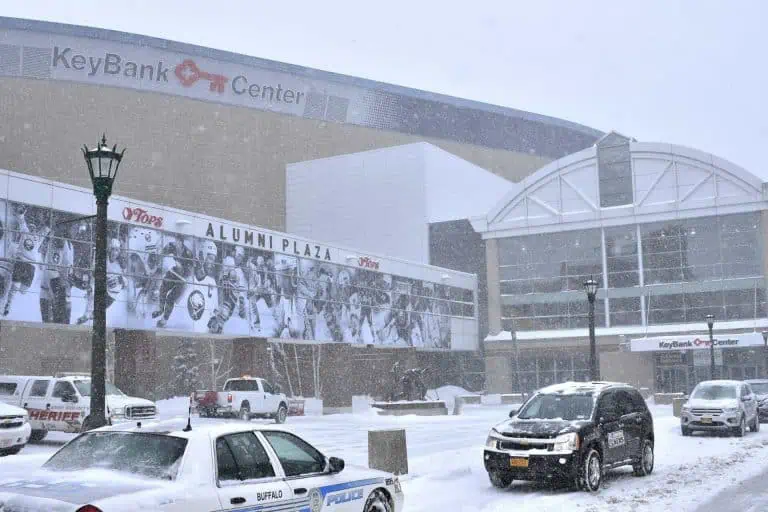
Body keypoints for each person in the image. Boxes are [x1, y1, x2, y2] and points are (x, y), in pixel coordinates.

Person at [4, 209, 50, 318]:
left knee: (23, 290)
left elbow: (45, 230)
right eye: (31, 227)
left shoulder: (38, 237)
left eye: (34, 228)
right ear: (29, 227)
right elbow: (22, 222)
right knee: (14, 286)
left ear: (35, 229)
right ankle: (8, 306)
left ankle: (14, 296)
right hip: (20, 262)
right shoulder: (25, 232)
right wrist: (21, 214)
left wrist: (49, 220)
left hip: (30, 266)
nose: (32, 229)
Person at [152, 238, 194, 328]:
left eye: (178, 242)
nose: (176, 244)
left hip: (184, 278)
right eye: (176, 241)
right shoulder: (172, 246)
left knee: (170, 298)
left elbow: (191, 270)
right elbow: (163, 253)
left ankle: (164, 320)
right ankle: (160, 309)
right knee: (163, 288)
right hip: (174, 272)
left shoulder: (188, 253)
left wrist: (182, 269)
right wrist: (159, 257)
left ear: (182, 243)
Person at [40, 236, 74, 324]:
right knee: (51, 323)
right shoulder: (57, 240)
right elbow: (51, 270)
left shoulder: (69, 245)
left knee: (61, 322)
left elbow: (68, 267)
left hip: (62, 289)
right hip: (54, 287)